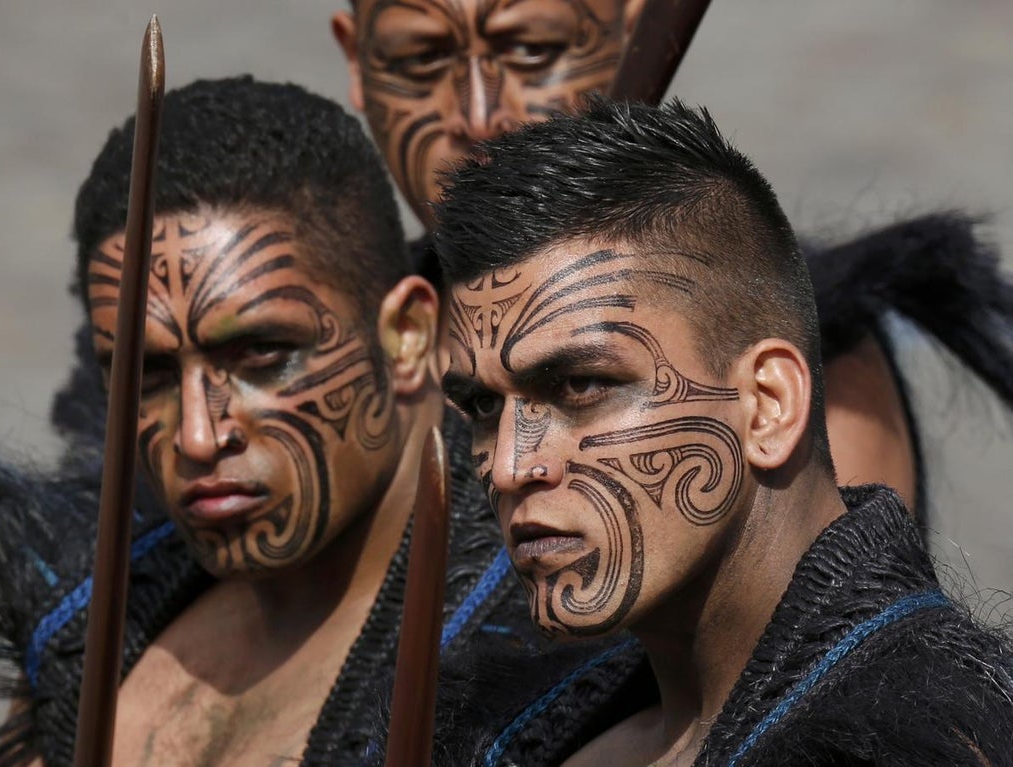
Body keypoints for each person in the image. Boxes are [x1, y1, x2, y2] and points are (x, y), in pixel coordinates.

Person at [0, 75, 530, 766]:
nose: (198, 435)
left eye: (261, 354)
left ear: (407, 335)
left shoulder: (529, 669)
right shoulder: (87, 624)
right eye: (148, 375)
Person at [425, 96, 1013, 766]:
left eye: (582, 386)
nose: (508, 465)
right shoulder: (512, 725)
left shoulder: (922, 747)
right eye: (481, 407)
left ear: (768, 404)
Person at [329, 0, 1013, 545]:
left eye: (532, 49)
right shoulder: (323, 352)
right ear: (356, 59)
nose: (477, 117)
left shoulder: (793, 348)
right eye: (420, 58)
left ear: (637, 28)